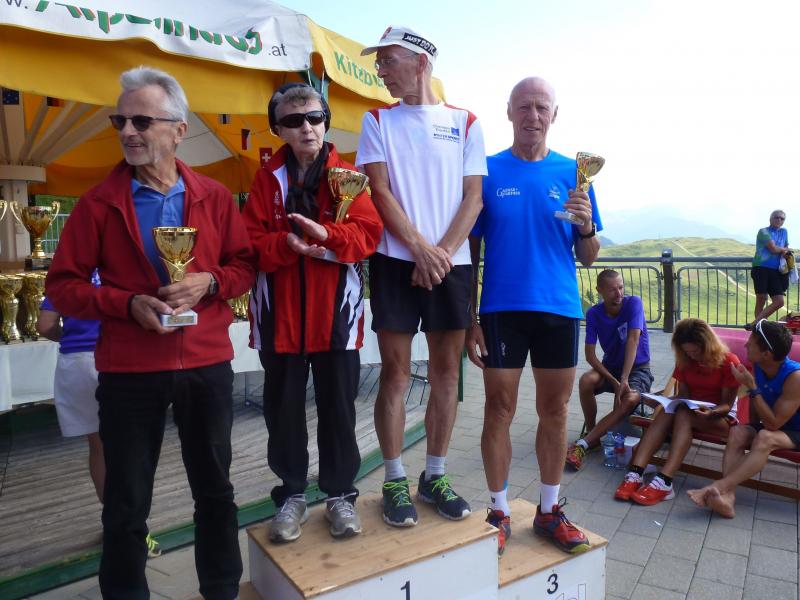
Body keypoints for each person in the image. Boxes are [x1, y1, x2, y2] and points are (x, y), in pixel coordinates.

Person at [45, 66, 254, 600]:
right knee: (125, 504)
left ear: (178, 129)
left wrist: (209, 282)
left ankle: (222, 591)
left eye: (142, 121)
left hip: (205, 363)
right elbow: (63, 286)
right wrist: (125, 303)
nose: (128, 131)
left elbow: (244, 266)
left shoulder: (214, 195)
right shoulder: (97, 203)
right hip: (129, 369)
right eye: (120, 121)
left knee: (215, 491)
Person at [356, 25, 487, 527]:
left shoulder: (465, 121)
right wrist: (419, 249)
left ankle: (434, 475)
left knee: (446, 373)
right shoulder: (377, 120)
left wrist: (441, 254)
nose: (380, 71)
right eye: (379, 63)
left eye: (388, 60)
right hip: (396, 260)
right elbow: (379, 191)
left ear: (421, 63)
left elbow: (473, 197)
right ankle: (394, 479)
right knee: (393, 373)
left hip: (451, 263)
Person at [241, 83, 382, 542]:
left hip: (336, 316)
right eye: (293, 120)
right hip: (278, 317)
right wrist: (286, 244)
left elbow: (368, 235)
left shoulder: (349, 176)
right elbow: (249, 243)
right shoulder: (266, 180)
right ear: (278, 129)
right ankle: (291, 496)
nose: (306, 127)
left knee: (339, 409)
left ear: (325, 122)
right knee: (282, 412)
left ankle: (340, 495)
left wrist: (326, 236)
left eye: (315, 117)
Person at [466, 76, 601, 555]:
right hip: (501, 310)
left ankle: (548, 510)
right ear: (509, 112)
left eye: (542, 107)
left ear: (554, 115)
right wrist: (469, 318)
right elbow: (470, 251)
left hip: (559, 308)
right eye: (524, 107)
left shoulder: (573, 173)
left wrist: (586, 225)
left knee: (555, 411)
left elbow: (589, 256)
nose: (533, 116)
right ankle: (499, 511)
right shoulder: (487, 171)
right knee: (498, 409)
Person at [37, 270, 162, 559]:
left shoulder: (69, 274)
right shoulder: (118, 267)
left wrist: (69, 337)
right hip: (115, 357)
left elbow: (44, 325)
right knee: (130, 448)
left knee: (98, 448)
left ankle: (115, 524)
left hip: (75, 362)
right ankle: (133, 529)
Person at [614, 318, 740, 507]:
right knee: (669, 410)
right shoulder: (685, 361)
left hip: (721, 418)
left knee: (682, 413)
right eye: (688, 352)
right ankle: (636, 473)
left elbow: (727, 406)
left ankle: (665, 481)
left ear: (708, 345)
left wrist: (710, 412)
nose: (693, 356)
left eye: (696, 351)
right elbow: (683, 396)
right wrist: (657, 399)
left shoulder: (728, 362)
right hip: (692, 413)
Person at [688, 320, 800, 518]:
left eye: (751, 342)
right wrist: (750, 428)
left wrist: (752, 387)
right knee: (738, 431)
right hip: (777, 426)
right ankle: (727, 498)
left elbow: (773, 424)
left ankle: (718, 486)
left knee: (765, 438)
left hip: (795, 431)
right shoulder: (759, 365)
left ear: (767, 354)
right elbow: (760, 414)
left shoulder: (795, 376)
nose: (746, 344)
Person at [565, 270, 654, 470]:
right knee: (586, 381)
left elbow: (633, 339)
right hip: (610, 368)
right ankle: (592, 434)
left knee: (629, 398)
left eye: (621, 287)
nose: (619, 293)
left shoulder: (634, 303)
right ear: (600, 290)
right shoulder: (594, 314)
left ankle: (584, 443)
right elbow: (590, 355)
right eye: (612, 290)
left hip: (637, 368)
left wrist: (624, 379)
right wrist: (614, 381)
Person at [749, 210, 790, 328]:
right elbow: (773, 249)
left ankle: (755, 324)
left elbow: (785, 247)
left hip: (776, 270)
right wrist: (784, 250)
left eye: (782, 218)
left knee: (779, 301)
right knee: (761, 298)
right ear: (770, 218)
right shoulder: (763, 231)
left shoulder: (784, 231)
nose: (779, 220)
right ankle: (760, 327)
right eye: (776, 217)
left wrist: (784, 250)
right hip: (760, 268)